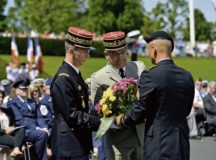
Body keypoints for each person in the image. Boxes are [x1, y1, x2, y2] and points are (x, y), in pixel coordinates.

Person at [115, 31, 194, 160]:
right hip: (181, 142)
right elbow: (186, 110)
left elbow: (139, 110)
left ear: (154, 49)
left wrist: (122, 119)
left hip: (159, 144)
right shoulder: (187, 76)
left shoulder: (150, 75)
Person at [91, 31, 146, 160]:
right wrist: (120, 120)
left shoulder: (140, 68)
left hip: (141, 136)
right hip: (117, 142)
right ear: (106, 55)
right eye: (115, 54)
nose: (120, 57)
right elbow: (98, 111)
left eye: (122, 52)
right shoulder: (98, 78)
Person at [50, 26, 101, 160]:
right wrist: (98, 122)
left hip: (77, 143)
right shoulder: (63, 78)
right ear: (72, 50)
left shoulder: (73, 74)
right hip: (69, 147)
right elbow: (72, 114)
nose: (88, 56)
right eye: (85, 52)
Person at [7, 78, 49, 160]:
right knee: (42, 134)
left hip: (34, 130)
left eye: (26, 88)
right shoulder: (12, 103)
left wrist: (45, 127)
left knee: (49, 132)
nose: (25, 90)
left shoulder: (31, 101)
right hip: (24, 131)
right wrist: (37, 128)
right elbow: (20, 121)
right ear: (16, 90)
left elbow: (39, 116)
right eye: (22, 89)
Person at [0, 89, 24, 159]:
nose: (0, 99)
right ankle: (17, 149)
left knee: (21, 129)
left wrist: (12, 127)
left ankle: (16, 150)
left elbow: (13, 122)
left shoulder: (6, 110)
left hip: (10, 133)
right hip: (1, 134)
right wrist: (4, 130)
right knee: (17, 142)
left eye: (2, 97)